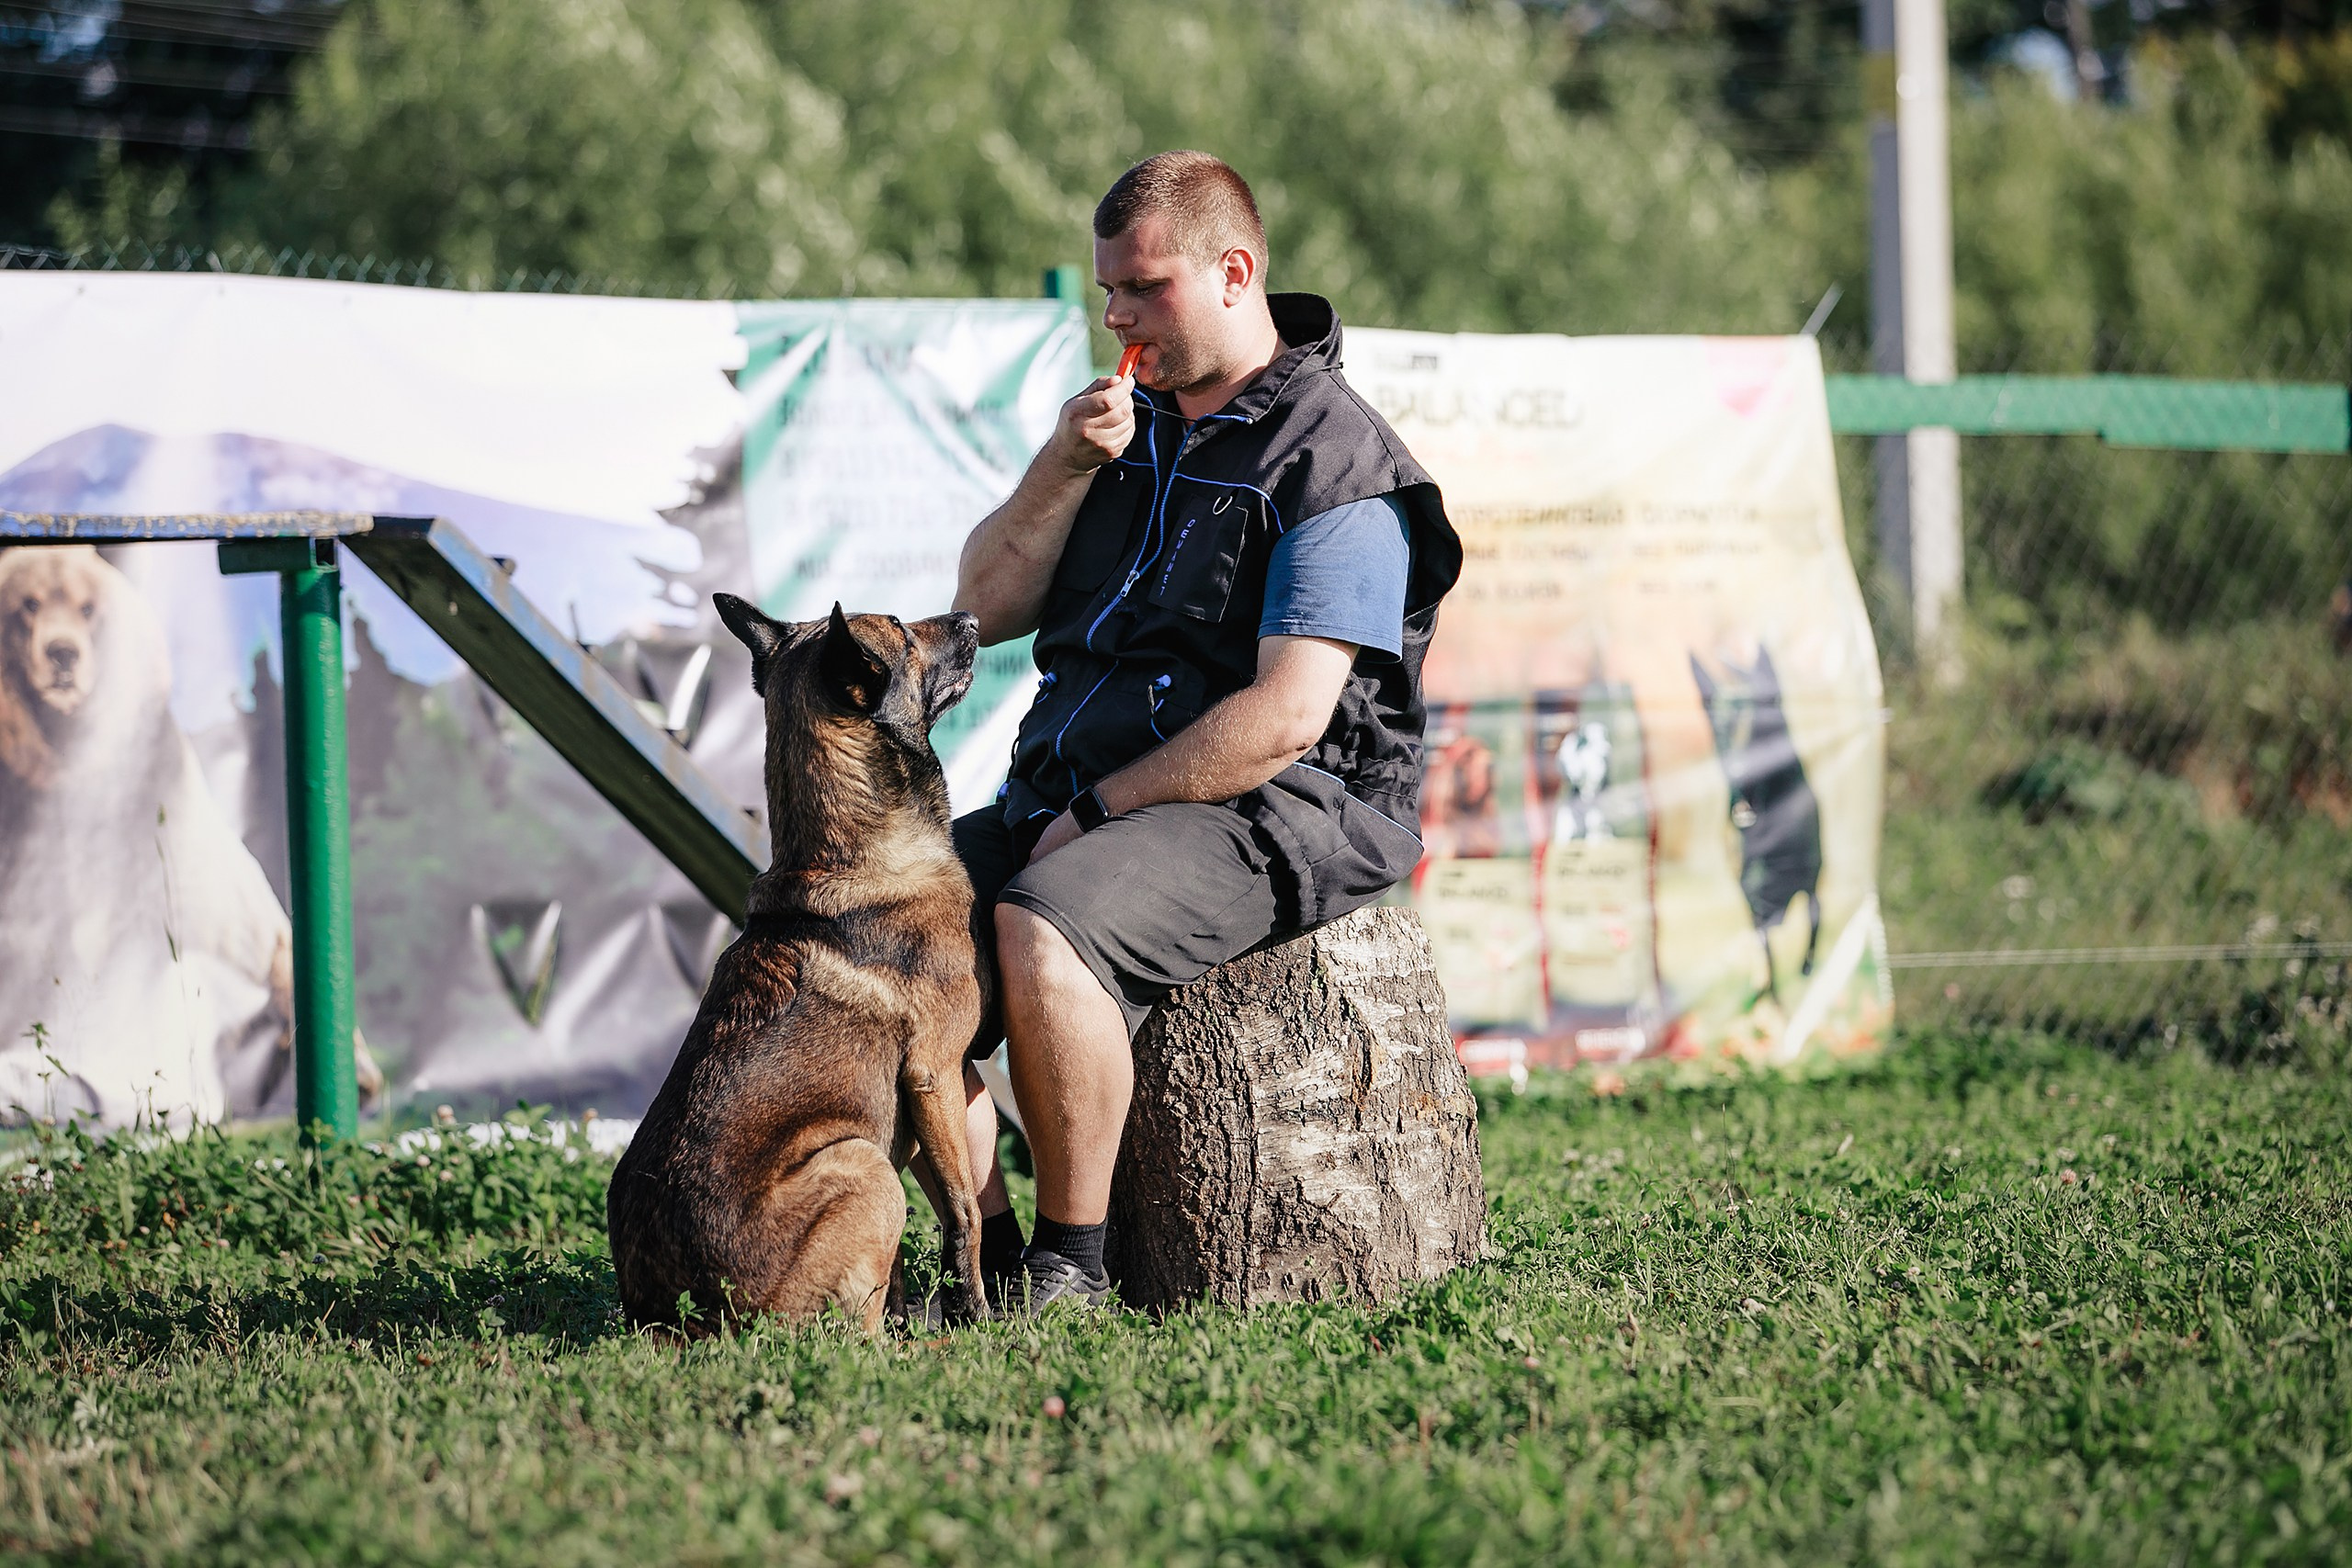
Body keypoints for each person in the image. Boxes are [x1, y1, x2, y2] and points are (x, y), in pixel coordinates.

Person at [948, 151, 1462, 1306]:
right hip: (1076, 785)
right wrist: (1061, 465)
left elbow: (1286, 717)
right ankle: (974, 1255)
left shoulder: (1337, 461)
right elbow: (982, 605)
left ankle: (1068, 1268)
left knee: (1044, 922)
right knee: (870, 935)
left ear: (1235, 274)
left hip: (1286, 804)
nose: (1117, 318)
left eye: (1145, 287)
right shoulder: (1117, 434)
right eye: (1108, 291)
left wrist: (1093, 814)